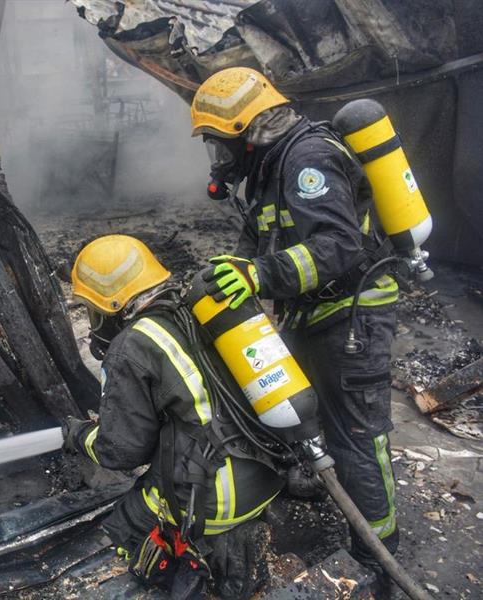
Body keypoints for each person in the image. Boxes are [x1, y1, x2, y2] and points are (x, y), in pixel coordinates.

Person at [190, 67, 400, 572]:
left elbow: (338, 246)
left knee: (356, 436)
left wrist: (259, 277)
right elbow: (258, 241)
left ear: (249, 128)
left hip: (352, 314)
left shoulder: (307, 159)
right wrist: (227, 274)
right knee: (297, 406)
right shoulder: (269, 168)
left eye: (222, 143)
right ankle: (313, 476)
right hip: (312, 313)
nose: (220, 158)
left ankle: (376, 555)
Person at [63, 234, 284, 599]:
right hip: (268, 471)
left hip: (218, 501)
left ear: (113, 305)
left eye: (93, 311)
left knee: (127, 521)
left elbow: (121, 453)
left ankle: (189, 567)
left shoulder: (131, 346)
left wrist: (79, 435)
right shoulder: (198, 313)